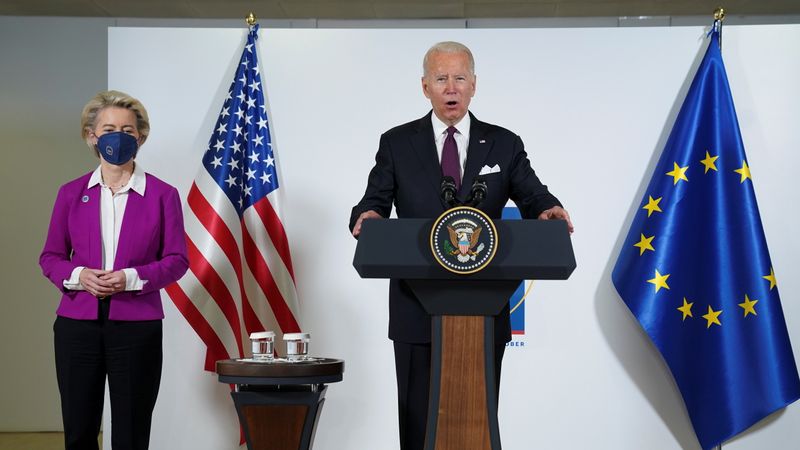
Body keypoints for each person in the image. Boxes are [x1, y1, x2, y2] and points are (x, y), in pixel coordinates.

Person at [349, 41, 573, 450]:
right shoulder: (397, 143)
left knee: (476, 421)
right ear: (424, 87)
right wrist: (368, 217)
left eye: (459, 78)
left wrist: (548, 210)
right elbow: (374, 201)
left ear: (473, 85)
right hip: (415, 307)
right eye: (441, 78)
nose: (450, 87)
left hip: (483, 309)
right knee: (417, 423)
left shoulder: (503, 143)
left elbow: (532, 194)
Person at [39, 90, 189, 450]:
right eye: (108, 128)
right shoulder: (71, 193)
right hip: (77, 327)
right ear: (92, 136)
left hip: (137, 328)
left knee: (132, 431)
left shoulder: (162, 195)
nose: (118, 136)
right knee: (78, 430)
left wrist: (130, 279)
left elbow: (177, 260)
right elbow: (51, 257)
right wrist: (79, 276)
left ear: (140, 137)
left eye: (127, 129)